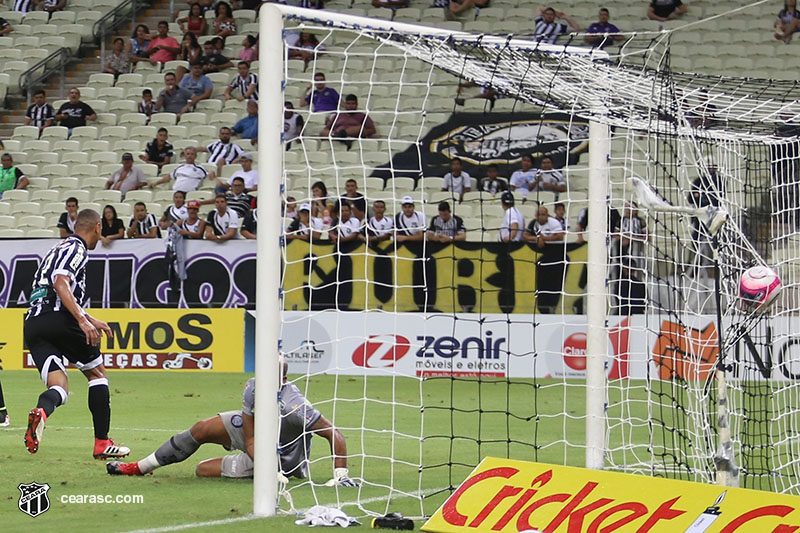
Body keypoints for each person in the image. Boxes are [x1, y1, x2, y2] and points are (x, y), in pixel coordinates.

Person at [107, 369, 358, 485]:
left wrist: (341, 475)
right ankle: (139, 467)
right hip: (255, 436)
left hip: (283, 456)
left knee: (203, 470)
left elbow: (334, 434)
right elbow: (249, 437)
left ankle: (254, 469)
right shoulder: (253, 386)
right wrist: (256, 454)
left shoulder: (296, 406)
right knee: (201, 428)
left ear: (283, 379)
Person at [24, 208, 130, 460]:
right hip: (60, 319)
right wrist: (82, 320)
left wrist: (90, 317)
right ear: (97, 227)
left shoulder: (56, 248)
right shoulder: (77, 248)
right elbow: (61, 282)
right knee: (97, 374)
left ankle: (41, 412)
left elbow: (51, 290)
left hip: (34, 323)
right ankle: (102, 443)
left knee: (58, 386)